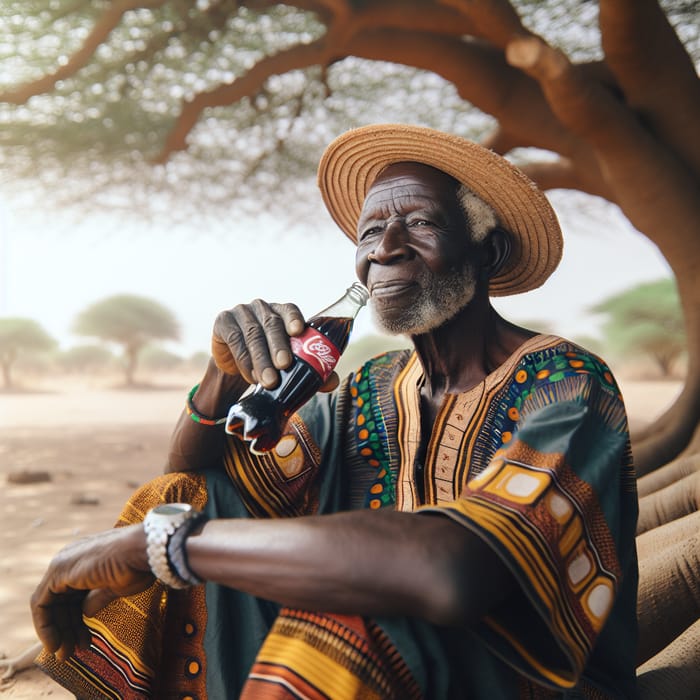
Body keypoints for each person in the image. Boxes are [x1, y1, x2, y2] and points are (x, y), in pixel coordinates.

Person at [31, 124, 639, 699]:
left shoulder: (566, 383)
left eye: (421, 222)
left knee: (347, 625)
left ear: (489, 249)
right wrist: (221, 374)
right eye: (370, 233)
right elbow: (201, 483)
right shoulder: (369, 387)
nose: (386, 249)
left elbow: (450, 573)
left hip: (518, 683)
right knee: (182, 498)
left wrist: (160, 546)